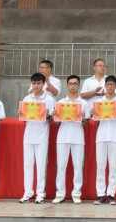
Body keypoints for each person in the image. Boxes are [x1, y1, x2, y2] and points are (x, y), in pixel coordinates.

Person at [92, 75, 116, 205]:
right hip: (101, 137)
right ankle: (100, 194)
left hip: (115, 137)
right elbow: (96, 123)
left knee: (113, 167)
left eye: (112, 84)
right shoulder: (98, 102)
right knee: (100, 166)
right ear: (105, 86)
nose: (110, 86)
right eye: (108, 84)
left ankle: (111, 194)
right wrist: (94, 114)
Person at [18, 73, 54, 204]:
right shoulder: (27, 99)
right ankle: (28, 192)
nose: (36, 86)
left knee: (41, 166)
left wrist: (48, 115)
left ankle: (40, 193)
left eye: (39, 83)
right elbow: (24, 120)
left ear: (43, 84)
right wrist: (21, 114)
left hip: (42, 137)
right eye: (34, 83)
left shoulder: (49, 99)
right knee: (27, 166)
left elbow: (51, 120)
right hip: (28, 136)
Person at [52, 75, 88, 204]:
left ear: (79, 86)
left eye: (75, 84)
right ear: (67, 86)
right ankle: (60, 193)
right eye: (71, 84)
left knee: (78, 166)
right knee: (61, 166)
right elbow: (56, 123)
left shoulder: (84, 103)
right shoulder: (61, 103)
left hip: (78, 138)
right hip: (63, 137)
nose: (73, 86)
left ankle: (76, 193)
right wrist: (55, 115)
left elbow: (86, 123)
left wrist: (82, 118)